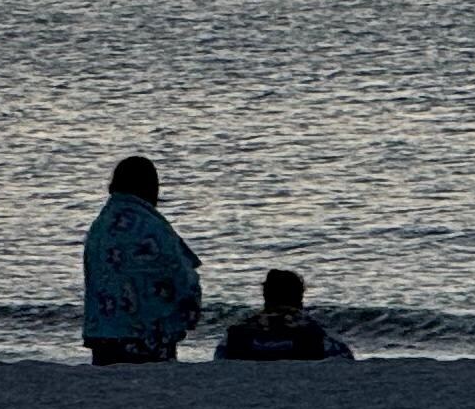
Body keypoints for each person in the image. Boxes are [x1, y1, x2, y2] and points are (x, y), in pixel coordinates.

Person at [82, 155, 201, 364]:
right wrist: (188, 316)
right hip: (146, 334)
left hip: (102, 332)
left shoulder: (101, 226)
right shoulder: (152, 227)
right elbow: (182, 277)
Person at [215, 267, 355, 362]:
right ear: (300, 298)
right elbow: (345, 359)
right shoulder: (317, 334)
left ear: (265, 297)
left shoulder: (237, 334)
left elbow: (219, 359)